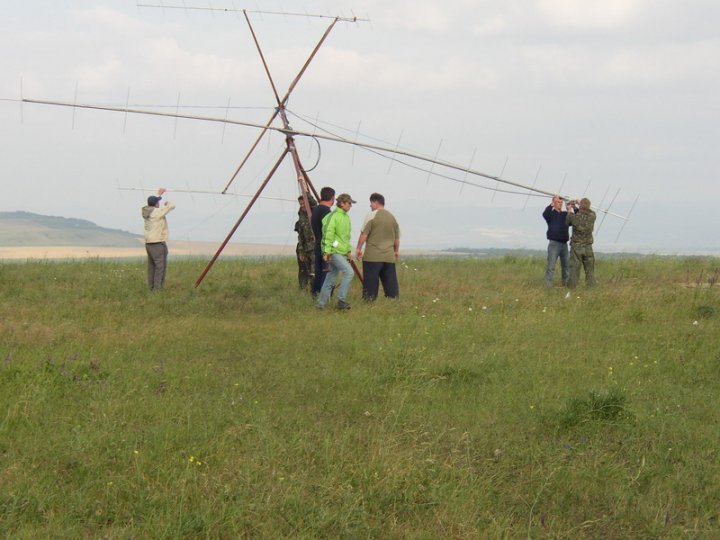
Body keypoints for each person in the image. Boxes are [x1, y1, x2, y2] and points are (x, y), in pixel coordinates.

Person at [355, 192, 401, 300]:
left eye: (371, 203)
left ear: (375, 202)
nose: (370, 206)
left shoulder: (371, 216)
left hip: (372, 257)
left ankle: (369, 302)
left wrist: (358, 248)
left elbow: (364, 235)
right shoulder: (392, 217)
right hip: (389, 257)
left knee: (370, 284)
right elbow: (397, 238)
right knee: (391, 284)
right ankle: (393, 302)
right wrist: (396, 251)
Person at [316, 193, 356, 310]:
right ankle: (341, 301)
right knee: (349, 272)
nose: (350, 206)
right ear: (342, 203)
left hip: (341, 252)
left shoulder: (346, 217)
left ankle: (320, 304)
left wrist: (348, 251)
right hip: (333, 252)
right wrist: (327, 252)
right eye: (349, 203)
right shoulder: (332, 216)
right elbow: (328, 234)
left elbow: (346, 237)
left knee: (330, 277)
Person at [142, 188, 175, 290]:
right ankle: (157, 289)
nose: (159, 204)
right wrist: (167, 202)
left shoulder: (147, 211)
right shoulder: (157, 212)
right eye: (158, 202)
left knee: (152, 266)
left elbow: (152, 202)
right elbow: (172, 206)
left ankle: (151, 288)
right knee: (160, 267)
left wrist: (159, 194)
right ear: (156, 204)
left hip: (149, 244)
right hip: (157, 243)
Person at [566, 197, 597, 288]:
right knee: (589, 268)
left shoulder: (575, 217)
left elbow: (568, 222)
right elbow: (587, 211)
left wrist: (569, 209)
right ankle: (591, 286)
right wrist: (579, 205)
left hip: (577, 246)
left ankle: (572, 287)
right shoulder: (592, 216)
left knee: (575, 268)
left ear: (580, 207)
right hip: (588, 246)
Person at [310, 186, 335, 296]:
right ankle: (324, 297)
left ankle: (316, 294)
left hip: (318, 245)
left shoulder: (316, 209)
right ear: (332, 198)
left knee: (319, 273)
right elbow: (329, 232)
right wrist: (336, 245)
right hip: (326, 247)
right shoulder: (327, 212)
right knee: (326, 272)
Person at [542, 195, 570, 287]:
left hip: (564, 244)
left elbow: (573, 220)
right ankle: (548, 285)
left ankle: (566, 284)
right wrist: (552, 204)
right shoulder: (550, 214)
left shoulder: (565, 215)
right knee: (551, 266)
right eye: (558, 202)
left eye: (561, 202)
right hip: (554, 244)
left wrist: (571, 208)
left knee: (566, 266)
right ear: (554, 203)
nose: (560, 204)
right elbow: (545, 214)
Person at [294, 194, 316, 291]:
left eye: (304, 203)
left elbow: (313, 202)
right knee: (303, 271)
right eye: (300, 203)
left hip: (314, 248)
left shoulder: (314, 213)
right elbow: (300, 236)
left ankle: (314, 291)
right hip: (304, 248)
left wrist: (306, 191)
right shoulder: (301, 217)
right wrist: (301, 251)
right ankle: (303, 289)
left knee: (314, 272)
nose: (302, 205)